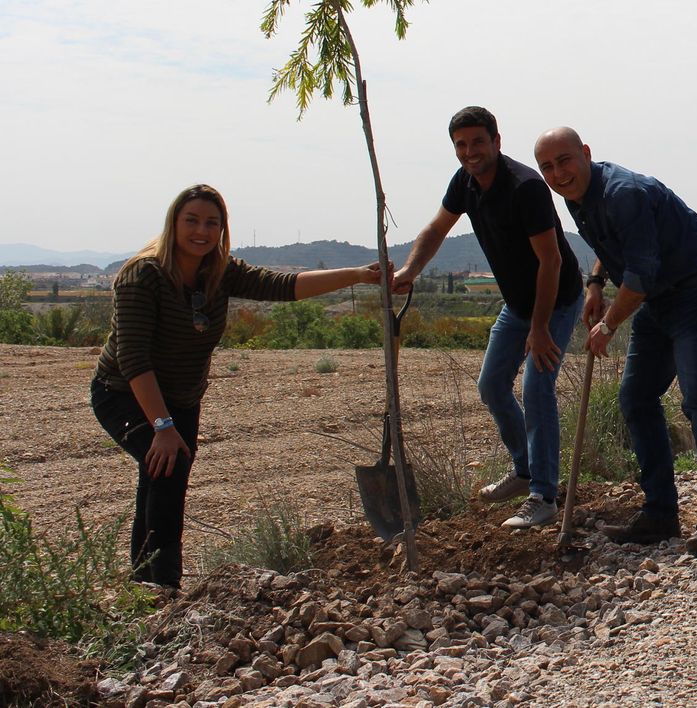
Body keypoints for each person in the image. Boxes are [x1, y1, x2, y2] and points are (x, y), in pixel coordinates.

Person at [91, 184, 383, 590]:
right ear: (173, 223)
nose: (202, 230)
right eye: (191, 220)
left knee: (160, 474)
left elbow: (285, 285)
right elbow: (134, 360)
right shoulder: (143, 276)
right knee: (168, 472)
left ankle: (143, 584)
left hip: (181, 398)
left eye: (212, 222)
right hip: (125, 394)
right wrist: (162, 426)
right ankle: (164, 587)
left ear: (223, 229)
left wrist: (357, 275)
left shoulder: (220, 270)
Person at [532, 126, 697, 557]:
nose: (558, 173)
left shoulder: (622, 193)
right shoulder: (579, 198)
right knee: (635, 397)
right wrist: (594, 284)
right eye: (547, 167)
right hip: (659, 297)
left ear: (585, 153)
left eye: (565, 160)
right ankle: (660, 513)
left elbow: (641, 275)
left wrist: (607, 324)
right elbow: (615, 249)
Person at [392, 106, 583, 529]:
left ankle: (544, 496)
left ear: (496, 141)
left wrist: (539, 329)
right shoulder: (465, 182)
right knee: (493, 385)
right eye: (461, 144)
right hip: (517, 304)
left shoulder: (525, 187)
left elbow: (550, 262)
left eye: (478, 141)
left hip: (554, 300)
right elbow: (437, 229)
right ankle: (524, 469)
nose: (470, 151)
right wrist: (409, 271)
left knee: (536, 388)